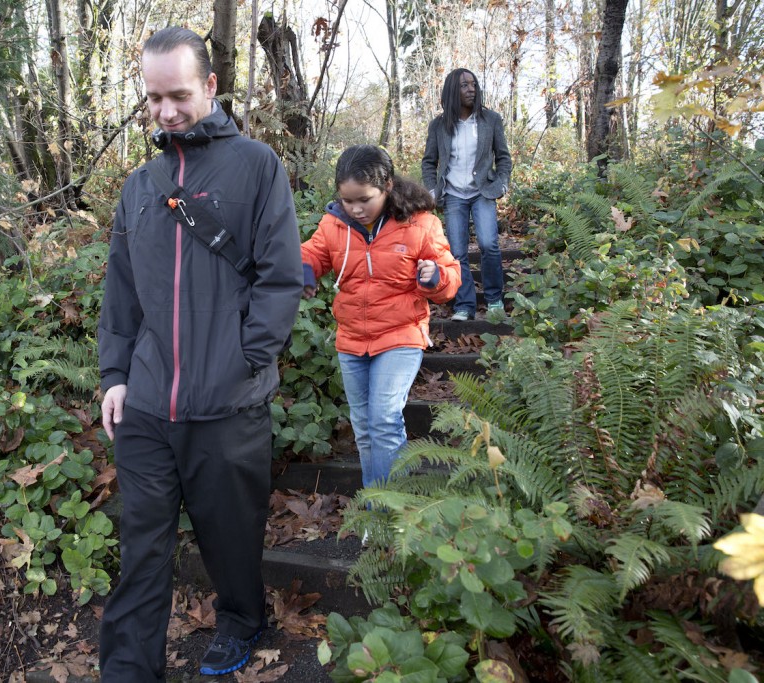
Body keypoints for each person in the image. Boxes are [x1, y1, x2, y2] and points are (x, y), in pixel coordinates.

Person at [96, 26, 303, 682]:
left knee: (231, 537)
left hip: (228, 403)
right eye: (153, 98)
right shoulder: (139, 186)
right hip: (150, 406)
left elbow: (280, 276)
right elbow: (121, 294)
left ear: (210, 86)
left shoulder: (256, 167)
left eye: (178, 95)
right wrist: (115, 375)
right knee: (142, 553)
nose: (164, 111)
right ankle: (128, 669)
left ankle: (241, 618)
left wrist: (247, 358)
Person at [301, 145, 461, 489]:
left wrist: (436, 279)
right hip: (352, 339)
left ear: (387, 186)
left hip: (401, 335)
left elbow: (450, 279)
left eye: (364, 199)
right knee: (364, 426)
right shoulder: (334, 224)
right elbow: (313, 253)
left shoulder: (420, 223)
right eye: (348, 200)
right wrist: (302, 270)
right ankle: (375, 507)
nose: (356, 209)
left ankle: (392, 508)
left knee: (385, 419)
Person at [421, 68, 513, 321]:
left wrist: (503, 182)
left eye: (473, 84)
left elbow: (503, 157)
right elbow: (429, 162)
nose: (471, 89)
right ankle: (464, 305)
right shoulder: (439, 125)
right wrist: (431, 190)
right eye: (464, 85)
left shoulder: (490, 120)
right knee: (458, 251)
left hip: (483, 191)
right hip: (452, 194)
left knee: (488, 244)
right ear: (453, 91)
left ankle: (494, 300)